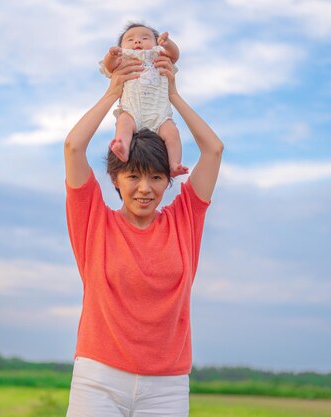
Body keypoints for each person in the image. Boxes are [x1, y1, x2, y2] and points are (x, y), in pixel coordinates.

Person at [63, 48, 224, 416]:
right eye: (133, 176)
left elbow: (213, 150)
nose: (144, 188)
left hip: (166, 385)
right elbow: (73, 146)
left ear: (169, 180)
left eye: (155, 177)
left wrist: (171, 96)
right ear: (115, 180)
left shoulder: (184, 219)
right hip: (98, 378)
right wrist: (112, 94)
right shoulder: (93, 221)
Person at [101, 23, 189, 177]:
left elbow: (175, 55)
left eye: (145, 38)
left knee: (172, 132)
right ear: (121, 47)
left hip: (159, 114)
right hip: (132, 110)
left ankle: (174, 163)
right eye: (130, 39)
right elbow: (109, 67)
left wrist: (168, 44)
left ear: (156, 44)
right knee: (124, 122)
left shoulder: (159, 56)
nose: (137, 42)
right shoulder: (123, 60)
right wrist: (111, 55)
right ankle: (122, 147)